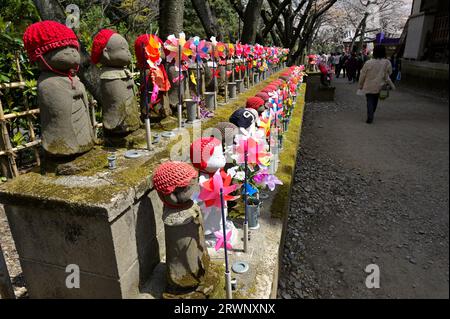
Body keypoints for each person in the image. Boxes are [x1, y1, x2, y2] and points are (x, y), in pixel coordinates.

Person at [358, 45, 395, 124]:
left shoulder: (368, 62)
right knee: (375, 100)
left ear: (374, 52)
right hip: (380, 85)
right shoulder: (387, 62)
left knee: (369, 100)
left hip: (369, 85)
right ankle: (371, 114)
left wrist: (360, 85)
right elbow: (389, 73)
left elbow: (363, 75)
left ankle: (370, 116)